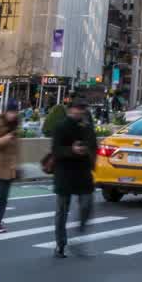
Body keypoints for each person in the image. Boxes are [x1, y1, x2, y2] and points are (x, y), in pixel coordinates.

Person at [51, 101, 98, 257]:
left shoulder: (86, 127)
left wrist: (87, 142)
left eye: (82, 109)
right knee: (62, 210)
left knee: (87, 204)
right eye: (77, 109)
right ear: (70, 110)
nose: (79, 112)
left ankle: (79, 231)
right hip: (64, 172)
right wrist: (72, 149)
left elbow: (93, 145)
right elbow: (56, 150)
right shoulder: (61, 126)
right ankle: (60, 244)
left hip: (83, 172)